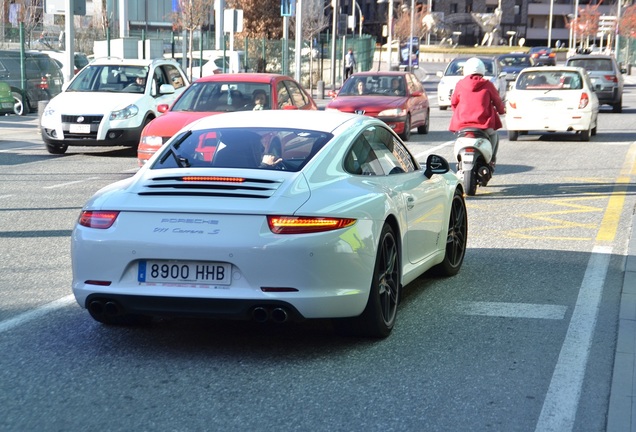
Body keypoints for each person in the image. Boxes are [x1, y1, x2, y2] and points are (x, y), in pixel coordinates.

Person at [449, 57, 505, 168]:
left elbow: (454, 102)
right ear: (482, 70)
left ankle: (459, 162)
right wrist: (501, 110)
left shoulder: (460, 84)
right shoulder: (488, 84)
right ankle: (491, 160)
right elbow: (497, 101)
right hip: (483, 125)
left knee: (459, 140)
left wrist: (459, 113)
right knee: (494, 135)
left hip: (462, 125)